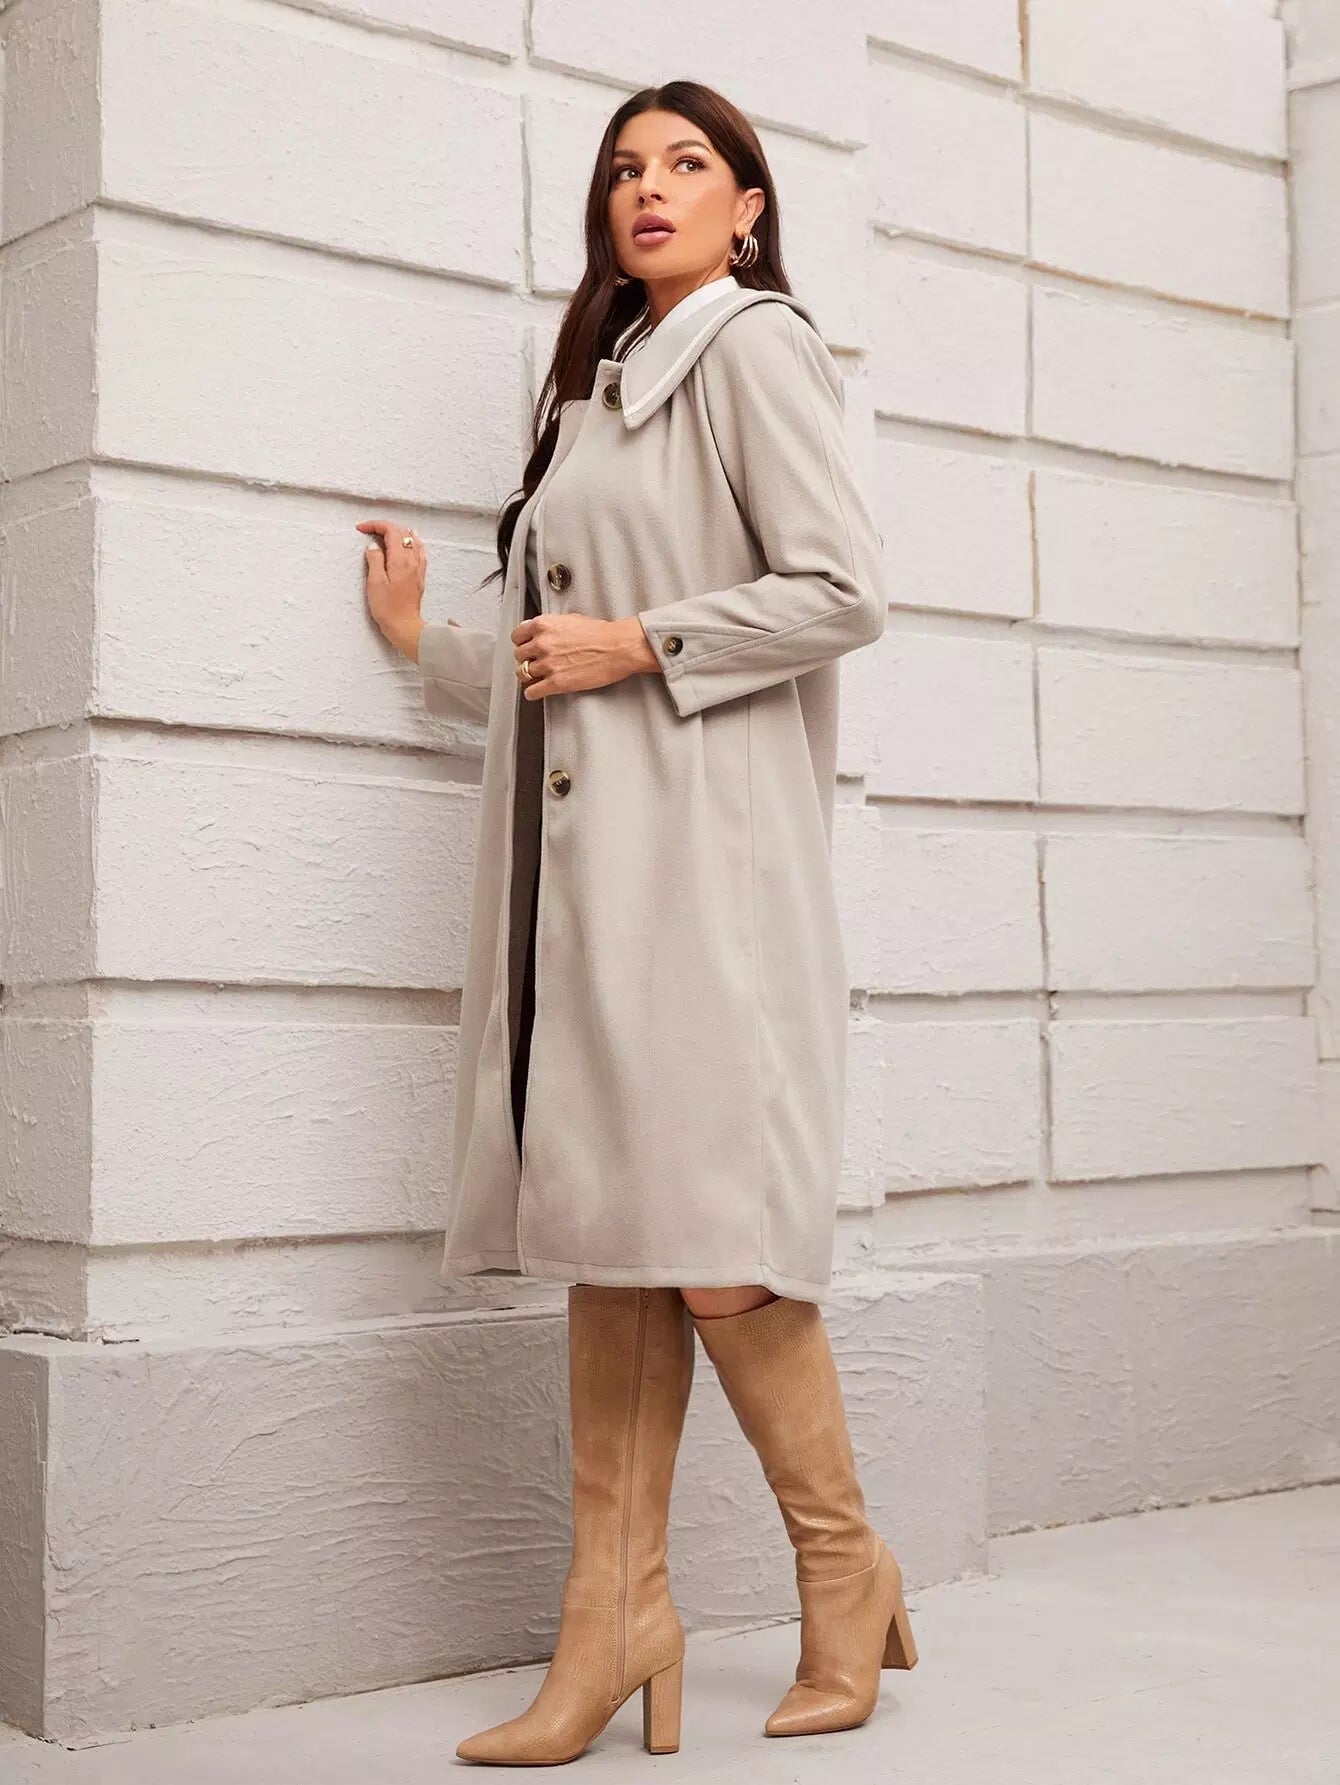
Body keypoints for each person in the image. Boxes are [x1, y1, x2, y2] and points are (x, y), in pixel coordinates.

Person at [358, 79, 915, 1767]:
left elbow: (843, 591)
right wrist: (430, 647)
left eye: (686, 164)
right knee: (618, 1233)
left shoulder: (752, 347)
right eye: (623, 170)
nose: (647, 189)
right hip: (593, 887)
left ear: (749, 207)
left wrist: (644, 641)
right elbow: (559, 657)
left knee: (718, 1242)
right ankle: (612, 1622)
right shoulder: (602, 397)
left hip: (707, 884)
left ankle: (844, 1568)